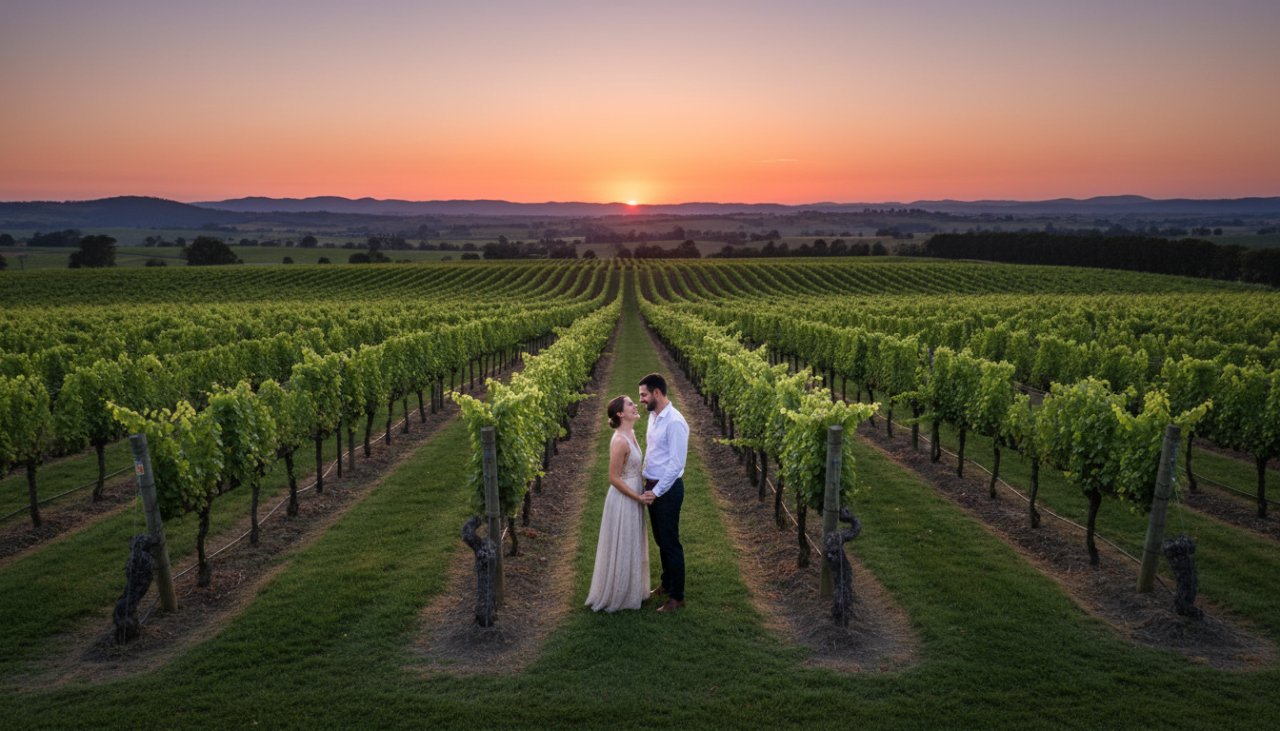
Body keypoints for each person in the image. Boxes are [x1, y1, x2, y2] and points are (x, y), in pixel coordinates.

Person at [585, 395, 651, 612]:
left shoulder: (631, 433)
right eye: (630, 404)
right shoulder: (620, 441)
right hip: (624, 498)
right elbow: (613, 478)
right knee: (624, 541)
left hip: (634, 493)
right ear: (620, 414)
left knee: (632, 541)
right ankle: (618, 593)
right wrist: (638, 496)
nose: (635, 406)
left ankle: (633, 588)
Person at [638, 373, 689, 613]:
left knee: (670, 543)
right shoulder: (653, 416)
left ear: (657, 393)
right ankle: (667, 583)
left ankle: (676, 597)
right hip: (653, 487)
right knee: (660, 540)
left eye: (644, 395)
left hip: (666, 490)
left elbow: (676, 465)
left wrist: (656, 492)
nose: (641, 400)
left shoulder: (675, 422)